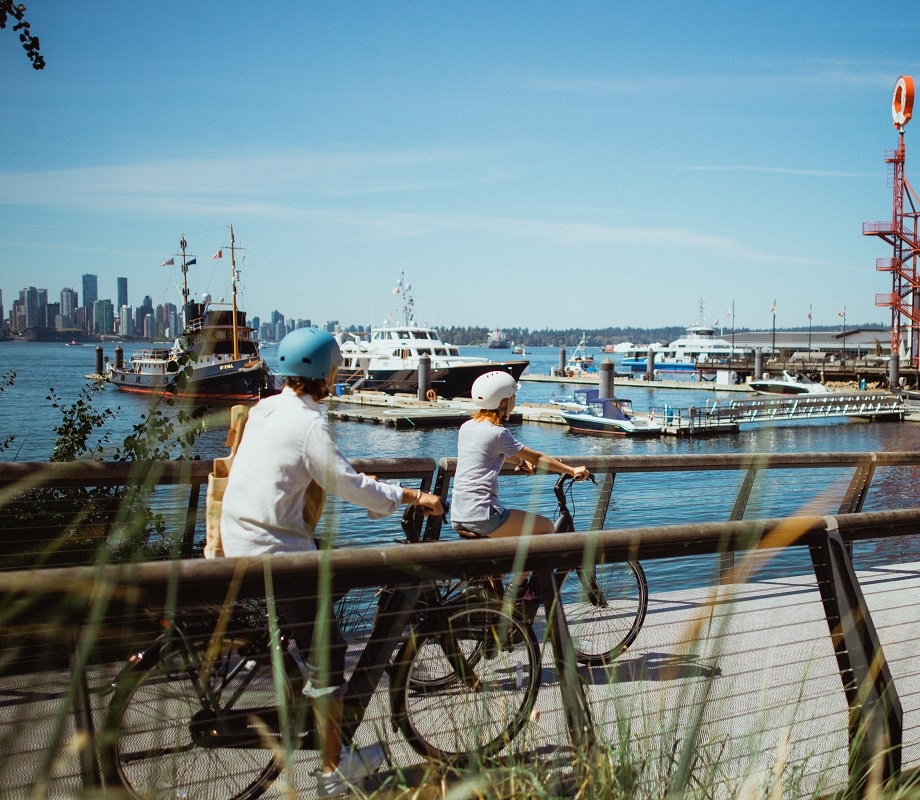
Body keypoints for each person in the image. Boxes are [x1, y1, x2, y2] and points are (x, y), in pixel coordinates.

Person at [220, 327, 443, 798]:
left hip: (240, 538)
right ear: (326, 373)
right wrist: (408, 495)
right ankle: (333, 768)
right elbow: (343, 481)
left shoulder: (265, 409)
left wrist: (365, 487)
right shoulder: (309, 423)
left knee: (330, 580)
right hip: (274, 553)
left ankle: (302, 681)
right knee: (330, 653)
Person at [450, 370, 590, 542]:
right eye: (514, 397)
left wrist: (521, 461)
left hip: (459, 514)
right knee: (546, 526)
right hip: (483, 514)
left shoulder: (467, 427)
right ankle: (524, 570)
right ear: (503, 402)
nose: (515, 402)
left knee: (506, 552)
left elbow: (489, 452)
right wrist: (571, 469)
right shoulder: (498, 433)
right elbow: (538, 458)